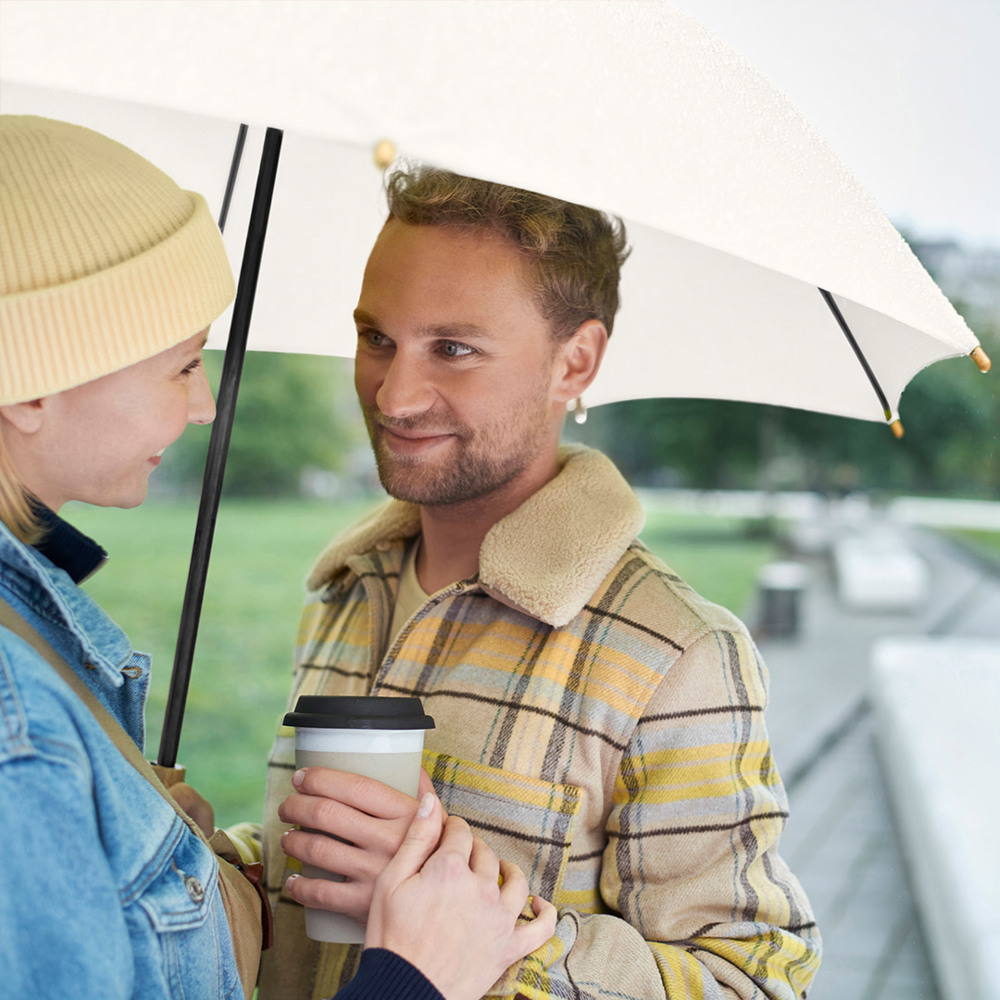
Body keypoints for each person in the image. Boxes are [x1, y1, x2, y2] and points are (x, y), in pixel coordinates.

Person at [0, 116, 555, 1000]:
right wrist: (415, 978)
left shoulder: (29, 642)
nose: (206, 406)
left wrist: (158, 855)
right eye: (183, 365)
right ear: (31, 384)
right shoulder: (17, 728)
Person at [259, 166, 823, 1000]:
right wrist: (210, 865)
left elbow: (755, 984)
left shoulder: (679, 658)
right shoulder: (350, 589)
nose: (394, 392)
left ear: (577, 361)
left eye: (453, 348)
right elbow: (298, 904)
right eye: (377, 337)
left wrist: (496, 933)